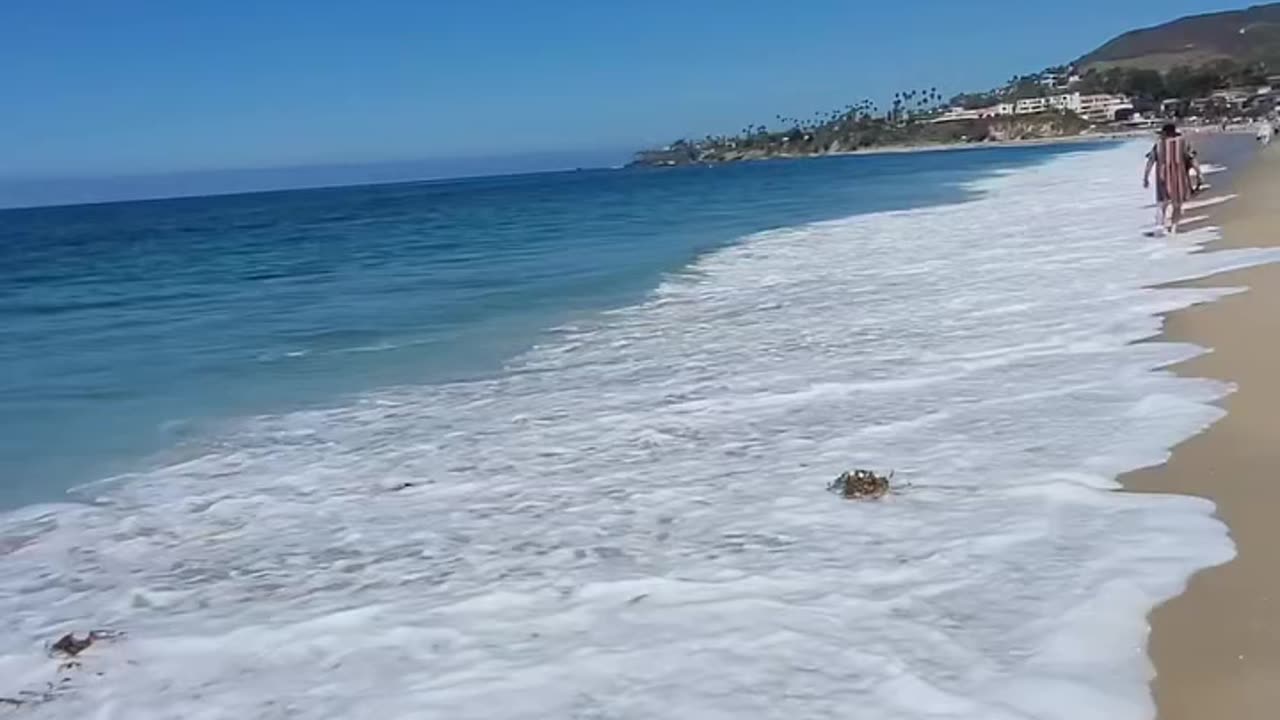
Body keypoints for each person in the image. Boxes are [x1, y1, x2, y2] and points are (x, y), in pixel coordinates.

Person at [1143, 123, 1201, 234]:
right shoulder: (1183, 143)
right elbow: (1192, 159)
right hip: (1180, 178)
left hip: (1162, 178)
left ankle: (1160, 227)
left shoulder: (1159, 145)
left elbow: (1150, 161)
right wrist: (1199, 174)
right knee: (1177, 205)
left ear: (1164, 133)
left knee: (1162, 204)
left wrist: (1145, 178)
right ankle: (1173, 228)